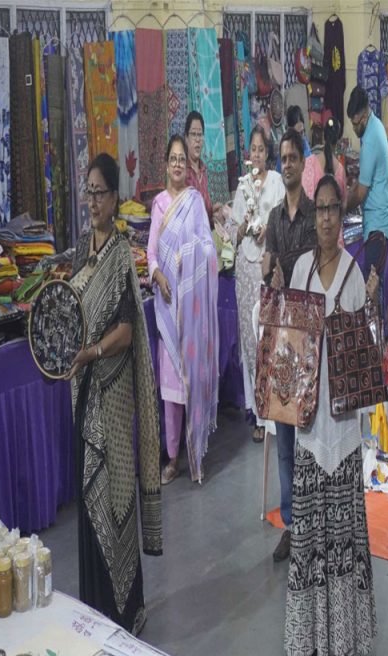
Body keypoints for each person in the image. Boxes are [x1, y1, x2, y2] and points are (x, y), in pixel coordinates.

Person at [277, 174, 378, 656]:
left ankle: (345, 643)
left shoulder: (354, 276)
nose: (324, 218)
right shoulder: (299, 269)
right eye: (319, 210)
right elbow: (289, 345)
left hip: (340, 432)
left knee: (342, 539)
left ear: (343, 217)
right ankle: (318, 642)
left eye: (332, 210)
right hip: (307, 431)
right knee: (313, 540)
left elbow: (363, 357)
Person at [66, 153, 162, 635]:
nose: (93, 201)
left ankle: (126, 607)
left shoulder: (121, 253)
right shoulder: (81, 250)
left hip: (114, 389)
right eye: (88, 191)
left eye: (100, 192)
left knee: (116, 489)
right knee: (90, 494)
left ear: (115, 197)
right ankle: (97, 607)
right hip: (86, 394)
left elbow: (126, 331)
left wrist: (92, 353)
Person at [148, 135, 220, 485]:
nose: (178, 164)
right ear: (166, 163)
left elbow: (209, 249)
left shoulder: (194, 203)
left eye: (181, 159)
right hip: (167, 306)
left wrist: (189, 255)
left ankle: (196, 450)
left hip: (192, 312)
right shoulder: (159, 205)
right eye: (173, 158)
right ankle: (173, 456)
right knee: (171, 389)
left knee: (193, 382)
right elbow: (150, 255)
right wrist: (158, 273)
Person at [262, 129, 317, 562]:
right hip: (282, 337)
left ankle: (313, 521)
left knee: (310, 436)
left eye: (293, 157)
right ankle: (292, 525)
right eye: (283, 158)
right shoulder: (276, 220)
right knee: (284, 439)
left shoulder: (317, 217)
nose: (288, 164)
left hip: (309, 337)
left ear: (303, 162)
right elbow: (268, 267)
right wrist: (269, 272)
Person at [229, 126, 285, 443]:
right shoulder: (243, 186)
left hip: (268, 267)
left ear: (268, 153)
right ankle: (258, 413)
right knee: (250, 340)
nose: (257, 154)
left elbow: (280, 220)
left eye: (261, 149)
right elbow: (235, 231)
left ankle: (275, 406)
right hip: (246, 269)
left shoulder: (276, 182)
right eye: (252, 149)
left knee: (269, 333)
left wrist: (267, 229)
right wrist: (246, 224)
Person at [346, 86, 388, 289]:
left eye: (356, 123)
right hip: (378, 222)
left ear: (364, 116)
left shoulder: (371, 139)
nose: (354, 128)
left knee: (373, 288)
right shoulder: (374, 127)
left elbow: (360, 192)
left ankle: (378, 322)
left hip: (378, 226)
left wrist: (341, 207)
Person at [302, 117, 347, 207]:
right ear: (338, 140)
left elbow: (302, 199)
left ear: (323, 136)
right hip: (333, 221)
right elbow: (343, 205)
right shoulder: (340, 171)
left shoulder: (309, 163)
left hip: (311, 220)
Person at [184, 111, 213, 221]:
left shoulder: (204, 170)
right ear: (186, 138)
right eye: (193, 134)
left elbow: (205, 208)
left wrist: (214, 210)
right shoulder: (182, 171)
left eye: (200, 135)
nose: (197, 139)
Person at [276, 105, 312, 171]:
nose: (300, 137)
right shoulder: (284, 149)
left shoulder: (305, 144)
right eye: (297, 134)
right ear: (289, 131)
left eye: (302, 132)